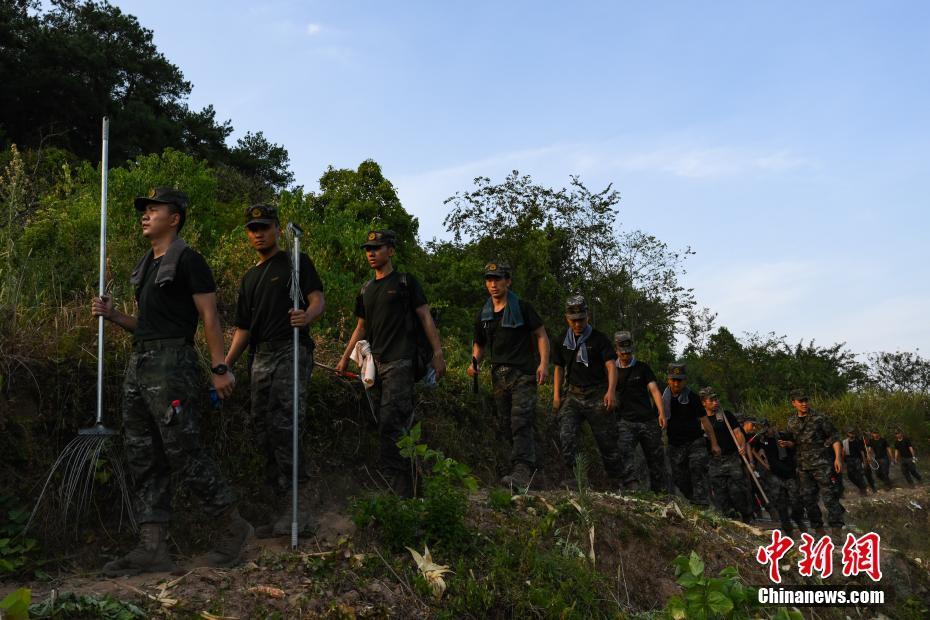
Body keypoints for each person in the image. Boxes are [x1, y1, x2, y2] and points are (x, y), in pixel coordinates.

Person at [92, 187, 250, 576]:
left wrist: (219, 367)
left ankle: (234, 529)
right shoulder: (147, 266)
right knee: (143, 454)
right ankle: (152, 547)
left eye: (154, 209)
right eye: (144, 210)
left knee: (184, 451)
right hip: (141, 363)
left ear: (174, 217)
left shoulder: (189, 260)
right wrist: (114, 316)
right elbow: (146, 326)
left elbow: (209, 317)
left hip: (172, 365)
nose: (145, 215)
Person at [224, 205, 325, 537]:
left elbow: (317, 300)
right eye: (253, 228)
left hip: (291, 348)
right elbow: (243, 329)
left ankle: (301, 510)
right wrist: (224, 364)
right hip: (260, 356)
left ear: (277, 229)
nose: (258, 233)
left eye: (264, 227)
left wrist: (306, 317)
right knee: (262, 428)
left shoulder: (295, 261)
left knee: (287, 424)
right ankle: (280, 506)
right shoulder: (250, 277)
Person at [336, 230, 445, 497]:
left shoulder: (406, 283)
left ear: (391, 251)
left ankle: (405, 491)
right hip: (376, 364)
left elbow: (425, 317)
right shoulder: (366, 289)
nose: (371, 253)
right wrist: (343, 359)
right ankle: (409, 485)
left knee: (391, 424)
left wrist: (437, 354)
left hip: (401, 361)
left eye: (377, 247)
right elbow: (361, 327)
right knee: (387, 424)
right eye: (367, 249)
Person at [468, 261, 549, 489]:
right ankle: (531, 469)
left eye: (498, 279)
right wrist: (474, 363)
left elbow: (541, 335)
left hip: (523, 373)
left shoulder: (522, 307)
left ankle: (522, 472)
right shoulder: (484, 314)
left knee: (520, 421)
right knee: (505, 424)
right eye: (489, 279)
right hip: (498, 376)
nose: (493, 284)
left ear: (508, 281)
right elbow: (479, 344)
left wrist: (543, 363)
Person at [551, 295, 621, 489]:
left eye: (581, 319)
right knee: (567, 435)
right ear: (567, 319)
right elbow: (558, 368)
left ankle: (617, 481)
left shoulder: (599, 339)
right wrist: (556, 396)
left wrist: (611, 391)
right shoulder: (561, 340)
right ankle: (578, 478)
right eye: (573, 320)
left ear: (587, 317)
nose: (577, 324)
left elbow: (611, 366)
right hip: (573, 394)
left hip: (597, 393)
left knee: (607, 441)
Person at [613, 331, 668, 493]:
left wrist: (661, 413)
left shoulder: (642, 368)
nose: (625, 355)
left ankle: (661, 493)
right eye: (622, 352)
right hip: (625, 421)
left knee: (656, 459)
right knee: (624, 453)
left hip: (647, 420)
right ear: (616, 351)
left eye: (628, 352)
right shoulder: (611, 370)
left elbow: (655, 390)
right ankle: (632, 489)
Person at [785, 389, 844, 535]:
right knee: (808, 499)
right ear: (793, 403)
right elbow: (794, 443)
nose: (804, 404)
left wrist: (837, 458)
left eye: (806, 400)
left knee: (829, 496)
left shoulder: (819, 418)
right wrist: (787, 444)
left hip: (822, 463)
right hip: (803, 466)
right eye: (800, 401)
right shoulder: (791, 422)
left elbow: (834, 437)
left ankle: (836, 529)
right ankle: (819, 530)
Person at [662, 362, 719, 506]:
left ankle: (703, 505)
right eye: (673, 380)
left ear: (684, 381)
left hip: (695, 442)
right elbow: (658, 420)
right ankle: (694, 500)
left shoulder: (692, 397)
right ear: (668, 380)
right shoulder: (663, 399)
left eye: (679, 380)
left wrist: (714, 444)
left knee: (697, 468)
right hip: (675, 444)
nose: (676, 383)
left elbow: (705, 422)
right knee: (678, 477)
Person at [699, 387, 754, 522]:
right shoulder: (700, 420)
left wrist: (741, 446)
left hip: (731, 459)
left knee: (737, 491)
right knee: (721, 495)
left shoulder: (726, 415)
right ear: (703, 403)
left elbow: (738, 433)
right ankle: (732, 520)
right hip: (714, 462)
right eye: (711, 400)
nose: (715, 402)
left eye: (716, 399)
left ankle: (747, 516)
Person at [756, 422, 806, 534]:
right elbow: (751, 448)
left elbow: (797, 445)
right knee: (781, 503)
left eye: (769, 427)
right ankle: (787, 528)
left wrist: (788, 444)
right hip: (775, 475)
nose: (768, 430)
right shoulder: (762, 440)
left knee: (796, 500)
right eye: (765, 428)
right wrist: (764, 463)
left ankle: (797, 518)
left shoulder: (784, 435)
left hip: (790, 473)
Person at [842, 427, 871, 496]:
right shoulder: (844, 442)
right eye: (851, 433)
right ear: (848, 434)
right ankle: (861, 487)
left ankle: (863, 490)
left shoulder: (858, 441)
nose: (852, 434)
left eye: (853, 433)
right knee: (850, 476)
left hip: (857, 459)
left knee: (859, 475)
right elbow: (843, 452)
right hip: (849, 460)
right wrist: (842, 461)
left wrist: (864, 461)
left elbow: (862, 452)